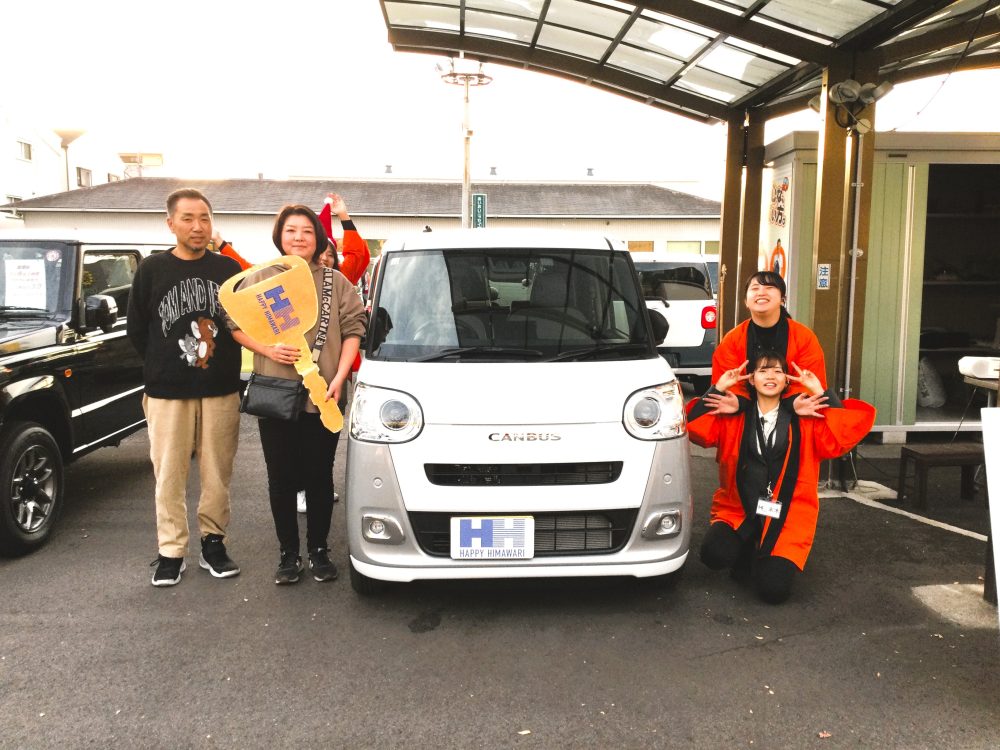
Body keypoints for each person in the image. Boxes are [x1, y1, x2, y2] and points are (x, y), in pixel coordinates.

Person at [226, 204, 366, 584]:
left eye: (307, 230)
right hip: (276, 392)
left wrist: (340, 376)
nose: (299, 237)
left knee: (320, 476)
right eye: (291, 230)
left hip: (325, 394)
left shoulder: (336, 282)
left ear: (318, 237)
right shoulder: (261, 278)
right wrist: (266, 349)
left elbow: (354, 328)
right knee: (281, 477)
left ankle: (319, 550)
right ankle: (288, 554)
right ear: (280, 236)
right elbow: (233, 323)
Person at [686, 351, 875, 604]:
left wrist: (821, 391)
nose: (771, 376)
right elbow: (695, 429)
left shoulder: (804, 417)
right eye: (763, 371)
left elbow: (842, 436)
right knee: (713, 554)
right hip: (740, 508)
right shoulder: (735, 414)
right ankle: (748, 544)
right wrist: (718, 388)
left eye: (778, 371)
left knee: (773, 590)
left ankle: (768, 554)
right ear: (751, 379)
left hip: (787, 514)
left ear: (787, 380)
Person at [127, 188, 243, 587]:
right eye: (188, 218)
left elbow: (241, 323)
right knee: (169, 475)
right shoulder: (152, 269)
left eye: (205, 218)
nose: (198, 226)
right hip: (167, 392)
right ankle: (171, 551)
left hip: (219, 388)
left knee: (217, 473)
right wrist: (163, 365)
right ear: (171, 223)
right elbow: (137, 329)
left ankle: (214, 543)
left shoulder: (227, 268)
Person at [712, 271, 827, 399]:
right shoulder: (732, 339)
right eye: (755, 288)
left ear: (782, 300)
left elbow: (811, 383)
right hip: (743, 407)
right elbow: (725, 382)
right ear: (746, 302)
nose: (761, 292)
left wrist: (794, 402)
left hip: (794, 407)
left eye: (769, 287)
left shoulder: (804, 337)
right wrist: (738, 401)